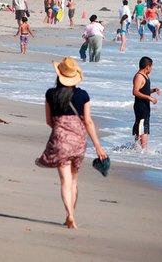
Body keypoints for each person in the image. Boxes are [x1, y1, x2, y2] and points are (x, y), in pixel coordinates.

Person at [35, 57, 107, 229]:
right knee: (74, 181)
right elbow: (88, 122)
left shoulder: (50, 94)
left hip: (60, 140)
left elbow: (48, 121)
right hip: (79, 142)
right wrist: (98, 146)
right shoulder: (83, 95)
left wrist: (61, 131)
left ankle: (70, 215)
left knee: (65, 181)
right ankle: (71, 215)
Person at [132, 56, 160, 150]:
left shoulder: (146, 76)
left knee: (144, 127)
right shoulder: (139, 76)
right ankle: (142, 150)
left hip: (145, 105)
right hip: (140, 106)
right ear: (148, 67)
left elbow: (144, 90)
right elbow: (135, 91)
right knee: (142, 128)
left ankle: (141, 149)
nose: (151, 69)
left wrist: (153, 90)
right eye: (151, 67)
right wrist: (149, 98)